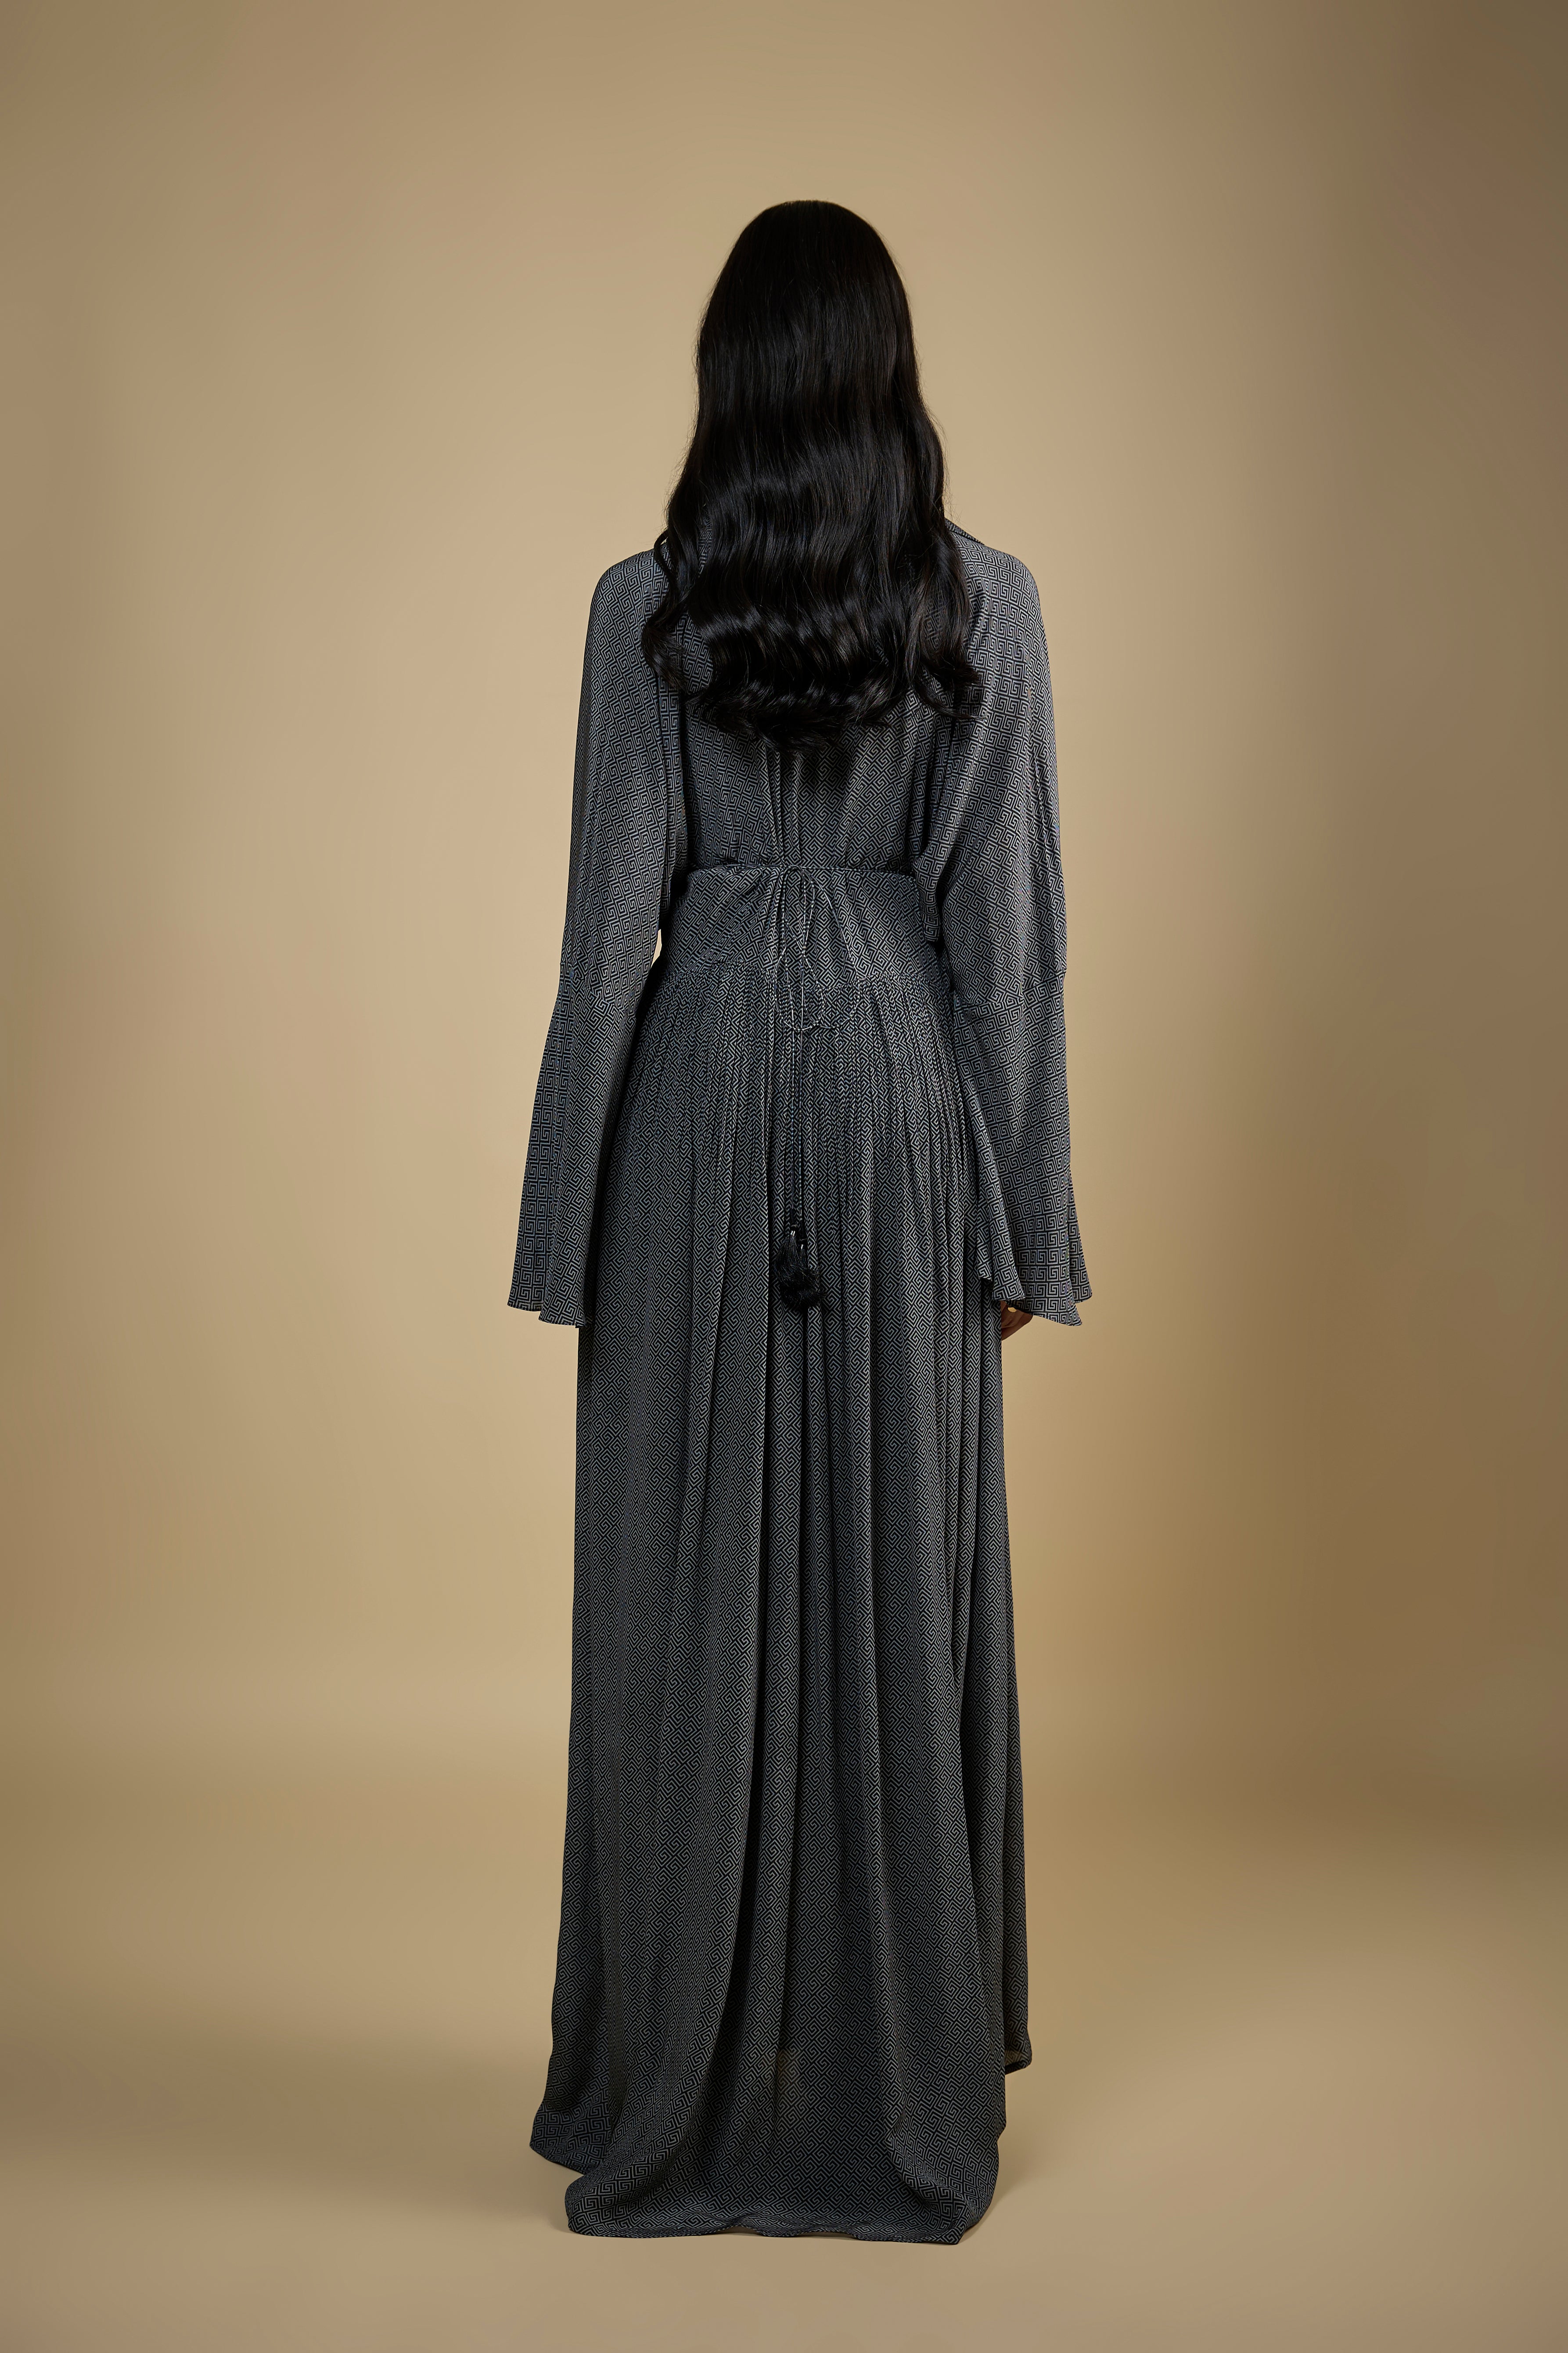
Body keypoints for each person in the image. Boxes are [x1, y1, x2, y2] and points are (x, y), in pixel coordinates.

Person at [506, 199, 1091, 2242]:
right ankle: (892, 2076)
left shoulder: (639, 608)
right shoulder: (988, 606)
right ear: (886, 372)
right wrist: (1025, 1227)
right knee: (896, 1577)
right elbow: (1007, 954)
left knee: (671, 1592)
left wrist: (565, 1226)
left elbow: (604, 945)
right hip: (902, 1106)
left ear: (728, 380)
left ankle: (667, 2071)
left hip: (688, 1117)